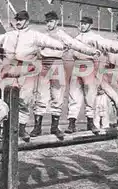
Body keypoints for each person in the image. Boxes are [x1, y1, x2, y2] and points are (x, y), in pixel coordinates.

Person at [0, 10, 65, 142]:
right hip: (9, 70)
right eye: (17, 20)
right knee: (7, 99)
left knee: (25, 100)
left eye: (21, 20)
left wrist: (60, 46)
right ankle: (5, 130)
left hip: (26, 70)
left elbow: (49, 41)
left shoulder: (34, 35)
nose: (18, 22)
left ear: (27, 21)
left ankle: (22, 128)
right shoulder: (9, 35)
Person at [33, 11, 100, 139]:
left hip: (57, 64)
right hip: (44, 64)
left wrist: (91, 51)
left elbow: (76, 45)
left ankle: (54, 126)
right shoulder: (43, 35)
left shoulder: (61, 34)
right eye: (47, 21)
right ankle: (37, 127)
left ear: (56, 22)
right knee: (41, 95)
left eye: (51, 21)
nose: (49, 24)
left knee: (57, 96)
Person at [66, 16, 118, 135]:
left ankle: (90, 122)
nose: (82, 25)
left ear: (90, 25)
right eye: (81, 23)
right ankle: (71, 123)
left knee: (90, 94)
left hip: (89, 64)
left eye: (85, 24)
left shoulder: (95, 37)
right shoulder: (77, 38)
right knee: (74, 94)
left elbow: (106, 45)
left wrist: (117, 48)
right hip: (77, 64)